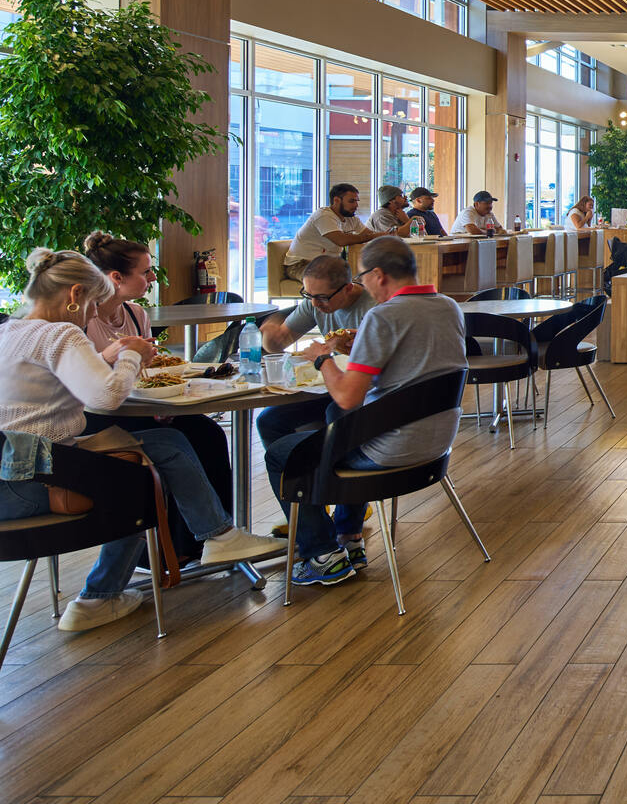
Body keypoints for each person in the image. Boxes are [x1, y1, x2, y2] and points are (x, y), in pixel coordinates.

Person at [0, 249, 283, 632]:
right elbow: (104, 397)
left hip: (16, 470)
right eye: (92, 304)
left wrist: (110, 355)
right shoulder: (59, 333)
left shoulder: (10, 330)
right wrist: (130, 356)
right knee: (138, 483)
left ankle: (218, 536)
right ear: (74, 295)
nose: (93, 314)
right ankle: (99, 596)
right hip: (34, 477)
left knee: (163, 443)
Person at [263, 237, 467, 587]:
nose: (363, 284)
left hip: (389, 451)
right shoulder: (449, 306)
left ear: (377, 275)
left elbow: (345, 396)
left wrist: (322, 358)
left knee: (283, 455)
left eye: (363, 276)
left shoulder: (383, 316)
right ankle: (348, 536)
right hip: (436, 445)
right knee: (331, 427)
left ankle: (321, 553)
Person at [81, 231, 234, 563]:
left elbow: (147, 372)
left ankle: (205, 543)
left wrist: (162, 403)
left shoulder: (137, 314)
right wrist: (114, 354)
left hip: (138, 406)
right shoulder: (83, 319)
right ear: (116, 277)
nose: (152, 278)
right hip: (98, 414)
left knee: (208, 434)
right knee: (174, 441)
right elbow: (86, 385)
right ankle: (170, 550)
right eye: (145, 271)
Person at [259, 256, 379, 354]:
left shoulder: (376, 308)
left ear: (347, 289)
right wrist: (270, 334)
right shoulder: (314, 301)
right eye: (308, 295)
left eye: (322, 297)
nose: (314, 303)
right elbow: (280, 340)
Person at [286, 183, 372, 280]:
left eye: (357, 201)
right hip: (300, 265)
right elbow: (341, 240)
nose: (356, 205)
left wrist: (385, 236)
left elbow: (369, 235)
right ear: (336, 200)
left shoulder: (351, 218)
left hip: (328, 265)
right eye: (352, 201)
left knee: (363, 275)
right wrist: (369, 237)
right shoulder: (324, 216)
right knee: (331, 279)